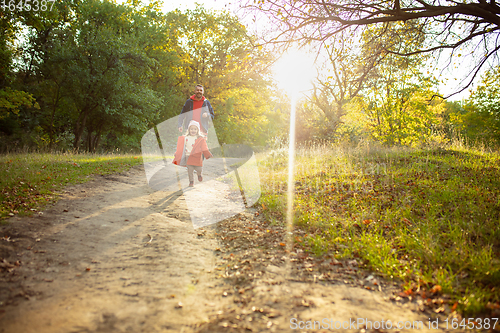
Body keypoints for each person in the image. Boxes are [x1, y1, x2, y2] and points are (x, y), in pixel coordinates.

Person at [173, 120, 212, 187]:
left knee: (199, 169)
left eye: (195, 129)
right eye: (191, 129)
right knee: (190, 170)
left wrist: (207, 154)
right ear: (189, 130)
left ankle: (199, 174)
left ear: (197, 130)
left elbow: (204, 147)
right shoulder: (186, 138)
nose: (193, 130)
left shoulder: (199, 138)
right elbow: (181, 147)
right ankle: (191, 182)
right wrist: (177, 153)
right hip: (188, 156)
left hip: (197, 157)